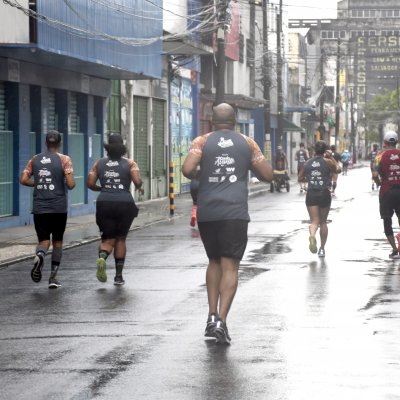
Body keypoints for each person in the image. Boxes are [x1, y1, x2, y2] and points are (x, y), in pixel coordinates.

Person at [182, 103, 273, 344]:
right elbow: (268, 175)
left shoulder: (201, 141)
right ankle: (222, 321)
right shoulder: (248, 143)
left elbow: (187, 169)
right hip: (235, 212)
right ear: (234, 121)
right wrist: (245, 167)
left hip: (208, 212)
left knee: (213, 261)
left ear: (212, 120)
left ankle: (211, 316)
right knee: (230, 266)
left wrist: (206, 173)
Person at [19, 130, 75, 288]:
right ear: (59, 144)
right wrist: (65, 181)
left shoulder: (34, 159)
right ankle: (53, 277)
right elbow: (70, 184)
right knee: (57, 242)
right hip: (58, 207)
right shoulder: (65, 159)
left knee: (44, 241)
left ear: (46, 143)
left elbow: (23, 179)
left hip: (40, 207)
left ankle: (40, 255)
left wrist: (36, 184)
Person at [87, 134, 143, 285]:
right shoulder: (131, 163)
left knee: (107, 239)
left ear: (108, 148)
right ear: (122, 148)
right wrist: (139, 187)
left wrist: (103, 188)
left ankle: (102, 257)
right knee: (120, 239)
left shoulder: (99, 163)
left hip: (104, 202)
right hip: (125, 203)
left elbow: (90, 183)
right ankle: (118, 277)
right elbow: (137, 181)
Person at [299, 140, 338, 258]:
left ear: (315, 150)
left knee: (314, 221)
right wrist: (331, 157)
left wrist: (310, 179)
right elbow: (338, 169)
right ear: (325, 150)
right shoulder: (328, 162)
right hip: (324, 193)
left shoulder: (307, 163)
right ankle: (322, 249)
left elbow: (300, 178)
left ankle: (312, 235)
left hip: (311, 193)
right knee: (323, 222)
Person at [372, 131, 400, 259]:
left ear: (385, 143)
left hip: (386, 192)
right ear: (396, 142)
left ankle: (395, 250)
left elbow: (374, 175)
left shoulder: (379, 156)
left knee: (387, 221)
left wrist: (379, 183)